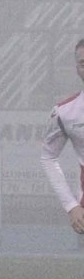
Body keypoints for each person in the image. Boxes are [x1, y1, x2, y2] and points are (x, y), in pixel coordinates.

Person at [39, 37, 84, 236]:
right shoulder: (65, 112)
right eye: (83, 63)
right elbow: (48, 156)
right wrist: (71, 205)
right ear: (77, 68)